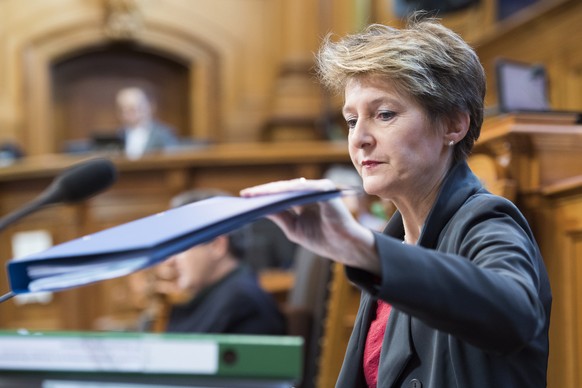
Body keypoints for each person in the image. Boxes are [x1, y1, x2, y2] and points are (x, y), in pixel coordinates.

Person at [240, 13, 551, 388]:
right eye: (352, 120)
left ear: (453, 125)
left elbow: (514, 313)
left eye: (384, 114)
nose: (359, 139)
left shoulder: (487, 219)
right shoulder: (396, 238)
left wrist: (359, 246)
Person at [149, 188, 287, 335]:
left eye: (181, 247)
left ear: (217, 245)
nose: (169, 262)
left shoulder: (241, 304)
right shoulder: (221, 297)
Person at [115, 87, 179, 159]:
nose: (127, 114)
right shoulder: (118, 135)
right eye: (123, 109)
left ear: (149, 106)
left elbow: (172, 159)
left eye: (132, 109)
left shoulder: (164, 133)